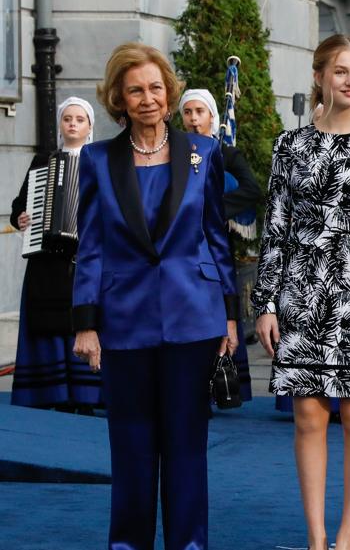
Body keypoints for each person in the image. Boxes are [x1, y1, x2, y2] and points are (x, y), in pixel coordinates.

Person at [71, 42, 239, 550]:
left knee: (187, 448)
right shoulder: (99, 160)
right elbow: (91, 244)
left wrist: (230, 316)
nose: (148, 98)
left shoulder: (204, 152)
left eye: (156, 87)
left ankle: (190, 545)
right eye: (135, 90)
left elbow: (215, 236)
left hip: (194, 317)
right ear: (119, 100)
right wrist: (85, 323)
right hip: (124, 322)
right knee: (131, 449)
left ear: (169, 93)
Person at [251, 34, 350, 550]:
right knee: (308, 415)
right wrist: (266, 302)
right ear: (319, 76)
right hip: (302, 292)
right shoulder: (289, 146)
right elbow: (275, 226)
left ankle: (347, 537)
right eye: (340, 71)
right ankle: (316, 538)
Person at [9, 97, 101, 413]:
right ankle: (51, 391)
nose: (73, 124)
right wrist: (21, 217)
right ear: (61, 124)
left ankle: (87, 396)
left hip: (83, 258)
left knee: (81, 319)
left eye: (79, 119)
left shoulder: (98, 161)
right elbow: (19, 205)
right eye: (67, 119)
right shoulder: (42, 161)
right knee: (46, 320)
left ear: (90, 127)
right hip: (47, 259)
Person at [179, 88, 261, 402]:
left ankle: (223, 381)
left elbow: (252, 189)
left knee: (219, 309)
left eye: (200, 112)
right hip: (183, 249)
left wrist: (216, 211)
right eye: (188, 112)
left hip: (214, 246)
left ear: (213, 117)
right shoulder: (174, 152)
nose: (194, 119)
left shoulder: (227, 155)